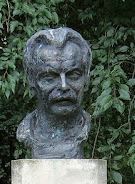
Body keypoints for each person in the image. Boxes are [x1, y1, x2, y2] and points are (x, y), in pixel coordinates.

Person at [17, 27, 92, 159]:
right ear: (31, 82)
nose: (64, 86)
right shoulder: (26, 132)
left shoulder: (85, 129)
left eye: (73, 75)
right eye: (49, 78)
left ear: (86, 80)